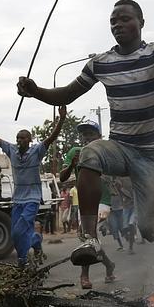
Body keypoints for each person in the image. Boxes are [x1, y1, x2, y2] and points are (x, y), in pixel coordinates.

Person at [17, 0, 154, 266]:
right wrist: (35, 91)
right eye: (113, 21)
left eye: (125, 19)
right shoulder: (101, 63)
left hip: (149, 153)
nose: (118, 25)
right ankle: (89, 238)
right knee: (89, 153)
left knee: (150, 231)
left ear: (141, 23)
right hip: (118, 148)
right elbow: (67, 94)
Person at [0, 105, 65, 267]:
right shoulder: (11, 150)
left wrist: (62, 119)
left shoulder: (37, 151)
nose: (19, 140)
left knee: (18, 232)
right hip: (18, 200)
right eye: (17, 138)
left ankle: (22, 260)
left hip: (32, 199)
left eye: (22, 138)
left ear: (29, 140)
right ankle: (36, 241)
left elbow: (52, 137)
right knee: (18, 233)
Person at [59, 120, 116, 289]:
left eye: (90, 133)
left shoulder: (106, 152)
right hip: (84, 200)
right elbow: (62, 177)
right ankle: (109, 265)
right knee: (89, 239)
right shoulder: (75, 152)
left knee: (89, 238)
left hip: (103, 200)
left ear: (99, 136)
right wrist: (72, 165)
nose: (86, 137)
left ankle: (84, 276)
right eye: (84, 134)